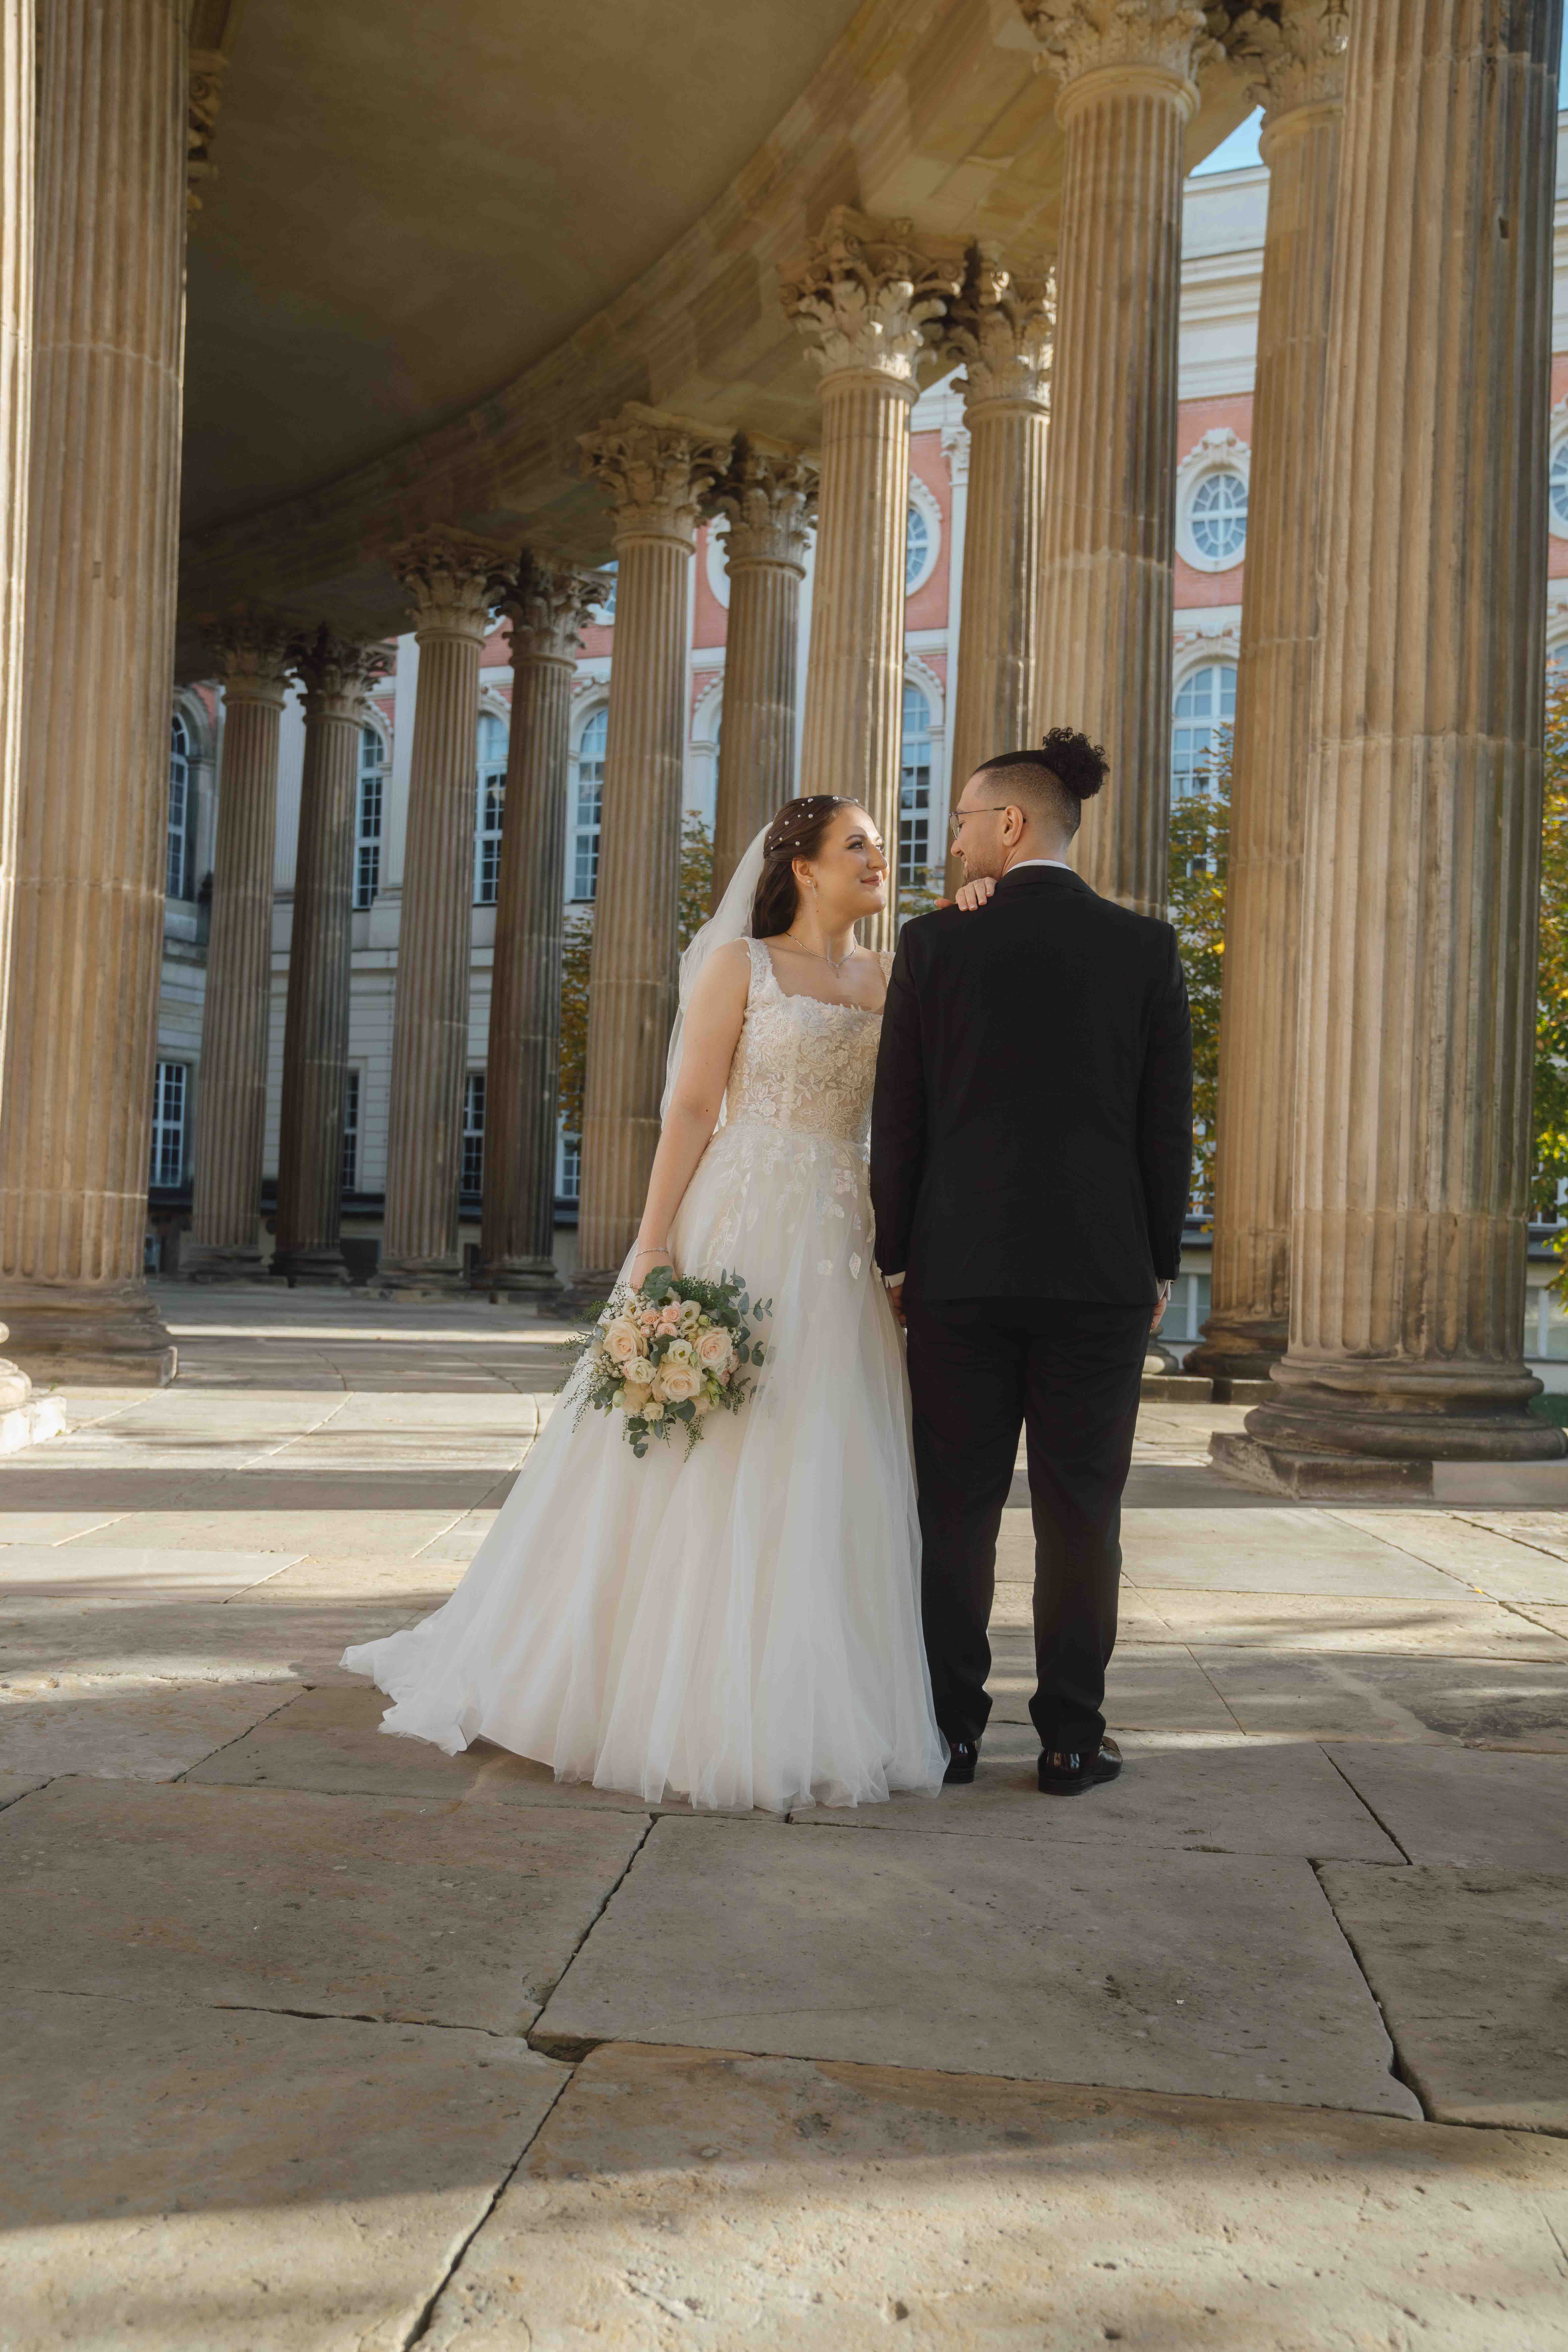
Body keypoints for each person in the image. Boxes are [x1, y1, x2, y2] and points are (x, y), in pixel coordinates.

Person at [343, 798, 947, 1814]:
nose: (880, 861)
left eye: (882, 848)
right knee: (710, 1439)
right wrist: (655, 1242)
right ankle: (650, 1684)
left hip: (843, 1232)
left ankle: (805, 1693)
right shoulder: (739, 967)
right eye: (859, 846)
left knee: (822, 1443)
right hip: (741, 1217)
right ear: (799, 866)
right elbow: (692, 1107)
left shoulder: (891, 978)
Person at [870, 728, 1193, 1797]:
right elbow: (1164, 1129)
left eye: (964, 819)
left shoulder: (934, 947)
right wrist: (1154, 1263)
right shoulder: (1147, 948)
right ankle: (1068, 1739)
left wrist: (897, 1256)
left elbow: (900, 1124)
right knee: (1081, 1513)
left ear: (1010, 825)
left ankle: (950, 1733)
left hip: (959, 1272)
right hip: (1099, 1278)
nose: (953, 836)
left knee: (952, 1511)